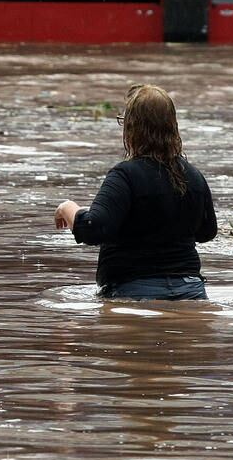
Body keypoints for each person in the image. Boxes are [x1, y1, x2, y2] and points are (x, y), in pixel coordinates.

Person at [54, 83, 217, 300]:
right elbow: (207, 232)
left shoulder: (125, 175)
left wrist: (68, 207)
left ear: (132, 128)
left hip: (134, 290)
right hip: (192, 290)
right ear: (172, 126)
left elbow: (94, 228)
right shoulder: (194, 176)